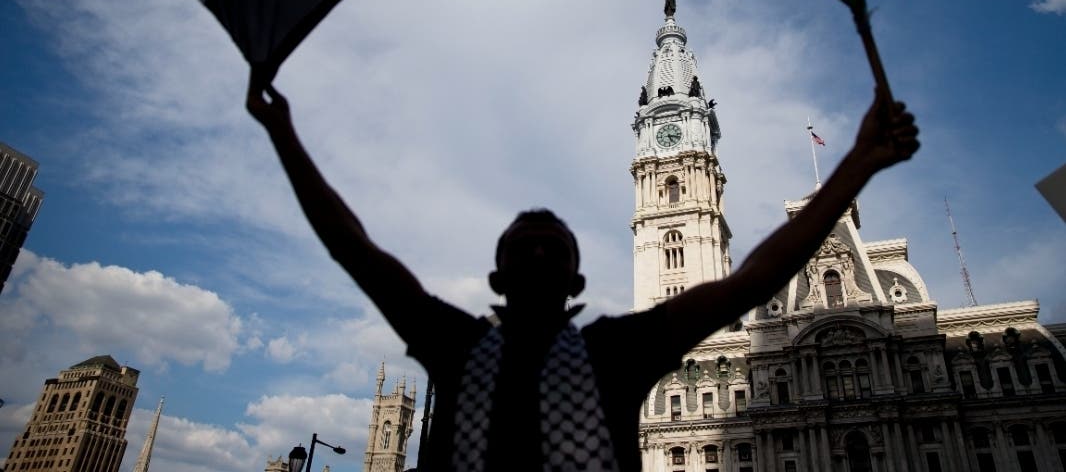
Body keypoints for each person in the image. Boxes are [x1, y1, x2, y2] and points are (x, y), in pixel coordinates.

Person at [247, 74, 918, 472]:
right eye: (525, 247)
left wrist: (856, 166)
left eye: (552, 247)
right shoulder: (454, 343)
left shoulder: (617, 352)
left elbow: (750, 281)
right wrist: (283, 137)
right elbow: (354, 248)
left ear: (577, 282)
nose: (539, 254)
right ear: (495, 278)